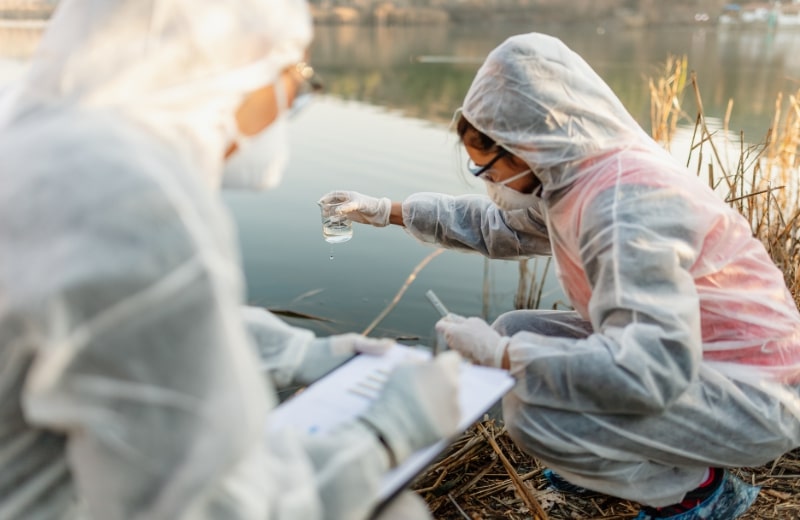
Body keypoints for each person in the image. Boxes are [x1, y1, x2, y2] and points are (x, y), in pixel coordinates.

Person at [0, 0, 464, 519]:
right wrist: (384, 432)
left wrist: (294, 355)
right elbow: (218, 509)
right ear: (234, 59)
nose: (292, 100)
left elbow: (123, 333)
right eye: (295, 77)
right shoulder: (129, 202)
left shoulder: (38, 145)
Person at [320, 32, 800, 519]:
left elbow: (650, 370)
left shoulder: (623, 206)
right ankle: (620, 458)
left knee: (535, 417)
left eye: (486, 166)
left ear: (528, 145)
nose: (485, 180)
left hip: (756, 393)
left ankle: (701, 493)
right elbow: (494, 227)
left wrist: (504, 357)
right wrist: (383, 211)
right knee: (514, 331)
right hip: (702, 359)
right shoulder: (575, 176)